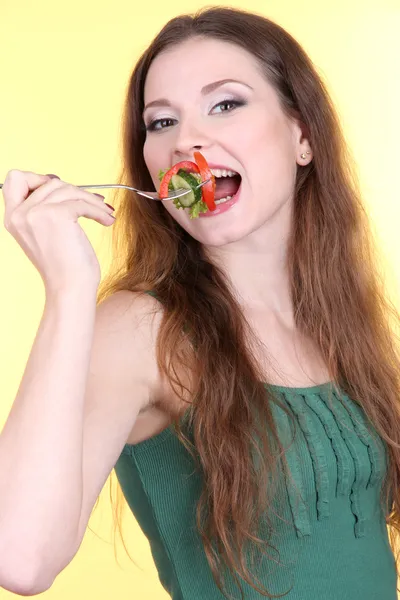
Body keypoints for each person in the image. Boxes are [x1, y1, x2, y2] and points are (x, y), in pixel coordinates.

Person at [0, 6, 399, 599]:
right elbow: (19, 558)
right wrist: (68, 290)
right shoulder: (141, 330)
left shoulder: (341, 327)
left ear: (303, 137)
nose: (185, 140)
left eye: (226, 104)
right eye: (161, 122)